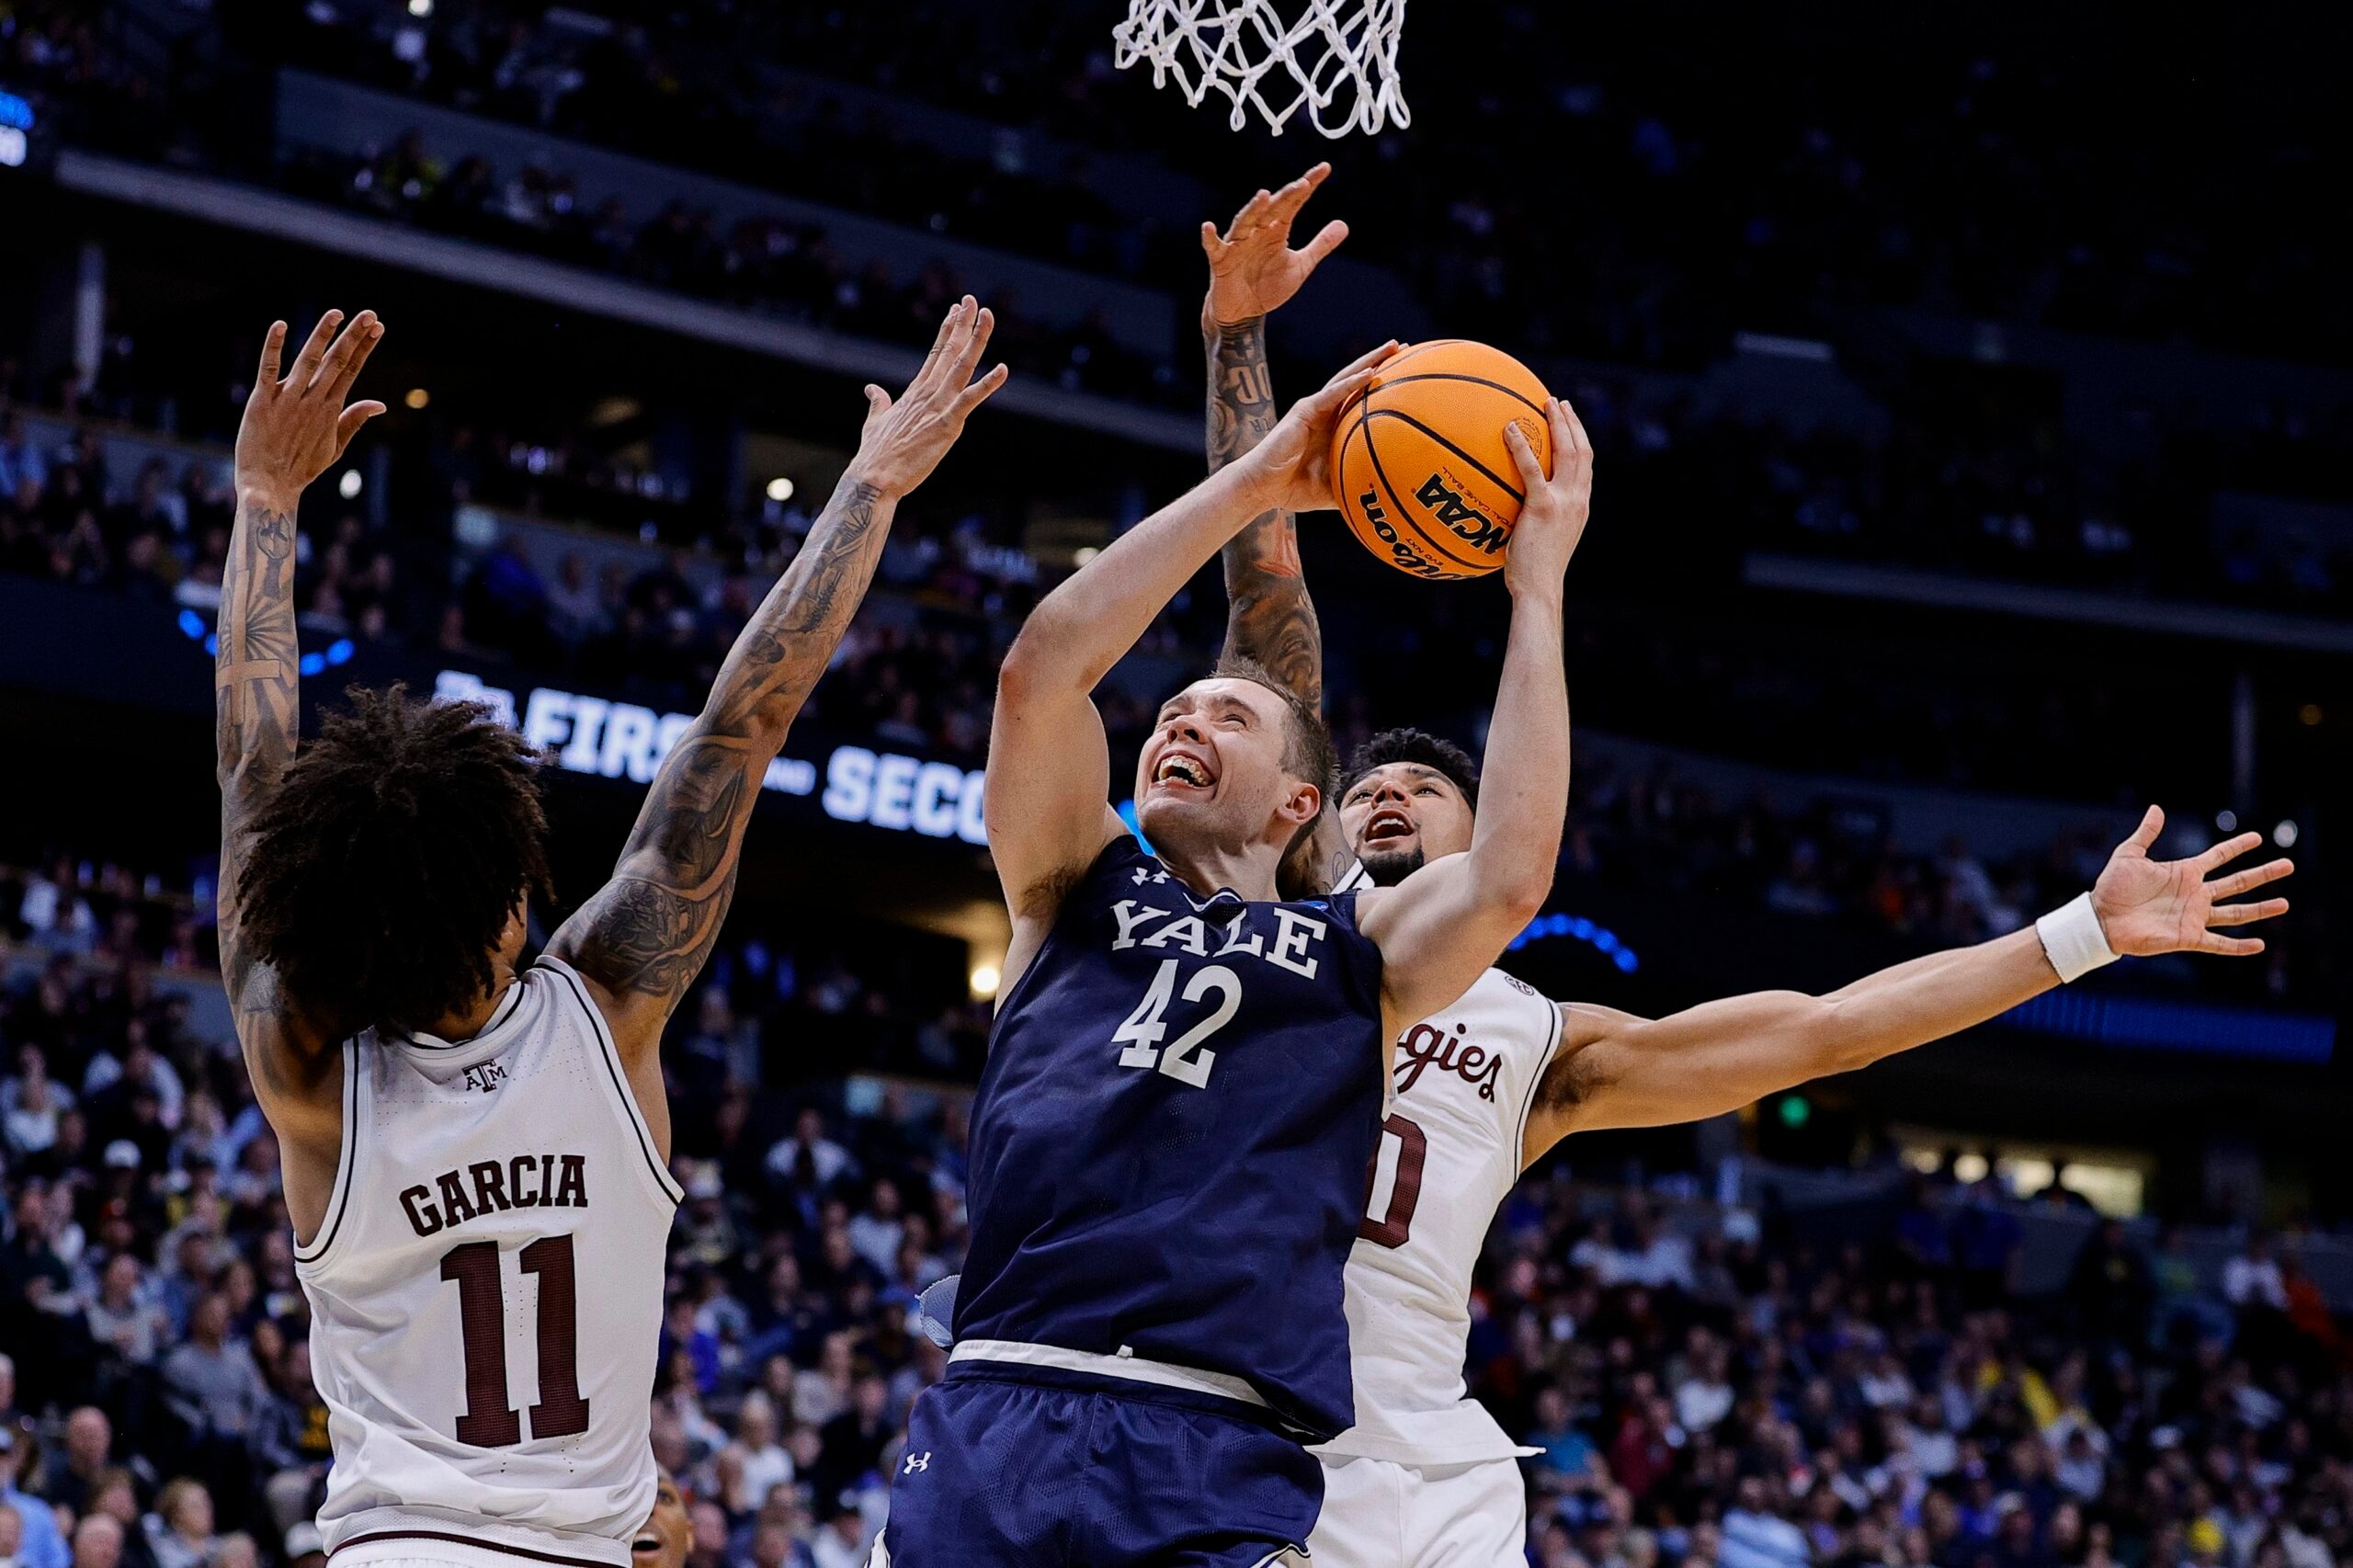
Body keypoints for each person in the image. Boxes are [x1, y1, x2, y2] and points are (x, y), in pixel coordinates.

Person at [1195, 165, 2297, 1568]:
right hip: (1237, 1427)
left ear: (1491, 836)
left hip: (1424, 1460)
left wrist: (2079, 930)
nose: (1393, 796)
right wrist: (1238, 342)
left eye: (1432, 786)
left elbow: (1828, 1031)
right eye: (1371, 790)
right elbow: (1263, 584)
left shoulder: (1544, 1042)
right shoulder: (1268, 924)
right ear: (1319, 820)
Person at [212, 302, 1004, 1568]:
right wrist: (872, 483)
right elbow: (743, 719)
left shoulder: (309, 1074)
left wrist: (264, 500)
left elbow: (253, 778)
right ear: (514, 896)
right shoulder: (607, 999)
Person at [878, 254, 1589, 1561]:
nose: (1186, 717)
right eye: (1171, 712)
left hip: (1218, 1440)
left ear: (1295, 808)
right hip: (1001, 1397)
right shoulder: (1068, 886)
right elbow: (1044, 671)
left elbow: (1512, 876)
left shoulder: (1355, 950)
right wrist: (1260, 481)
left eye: (1231, 713)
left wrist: (1535, 593)